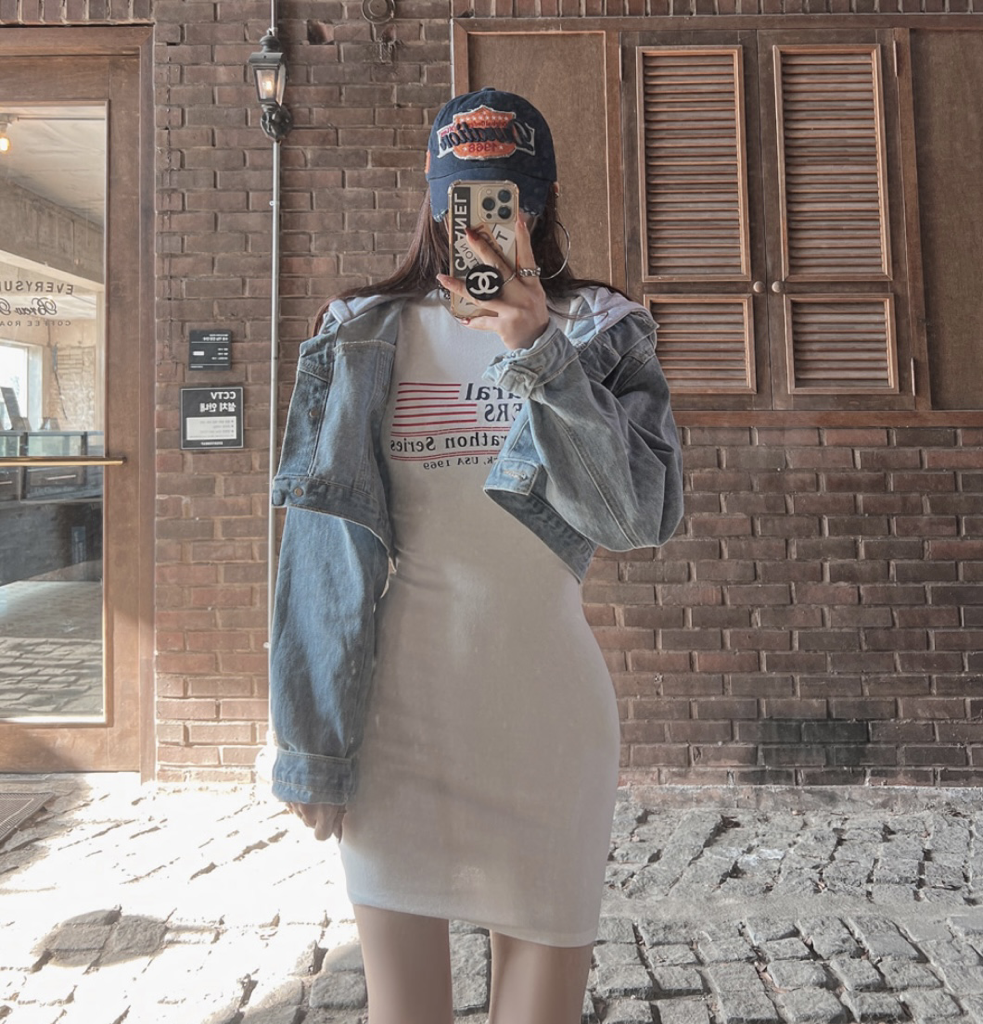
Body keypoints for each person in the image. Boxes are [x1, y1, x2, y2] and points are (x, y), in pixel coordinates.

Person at [268, 88, 684, 1024]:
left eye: (508, 198)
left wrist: (538, 348)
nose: (489, 223)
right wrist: (311, 743)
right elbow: (319, 552)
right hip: (394, 721)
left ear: (539, 203)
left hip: (547, 722)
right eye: (467, 198)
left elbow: (635, 517)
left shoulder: (598, 329)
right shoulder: (361, 332)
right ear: (434, 202)